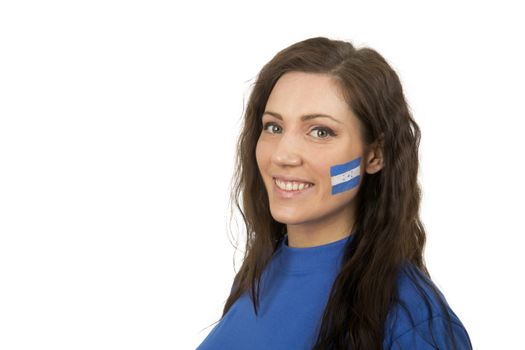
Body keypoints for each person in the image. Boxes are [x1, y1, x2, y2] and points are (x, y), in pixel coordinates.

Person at [196, 36, 472, 349]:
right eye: (274, 127)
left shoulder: (411, 321)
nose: (283, 155)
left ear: (374, 156)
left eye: (320, 132)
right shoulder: (259, 276)